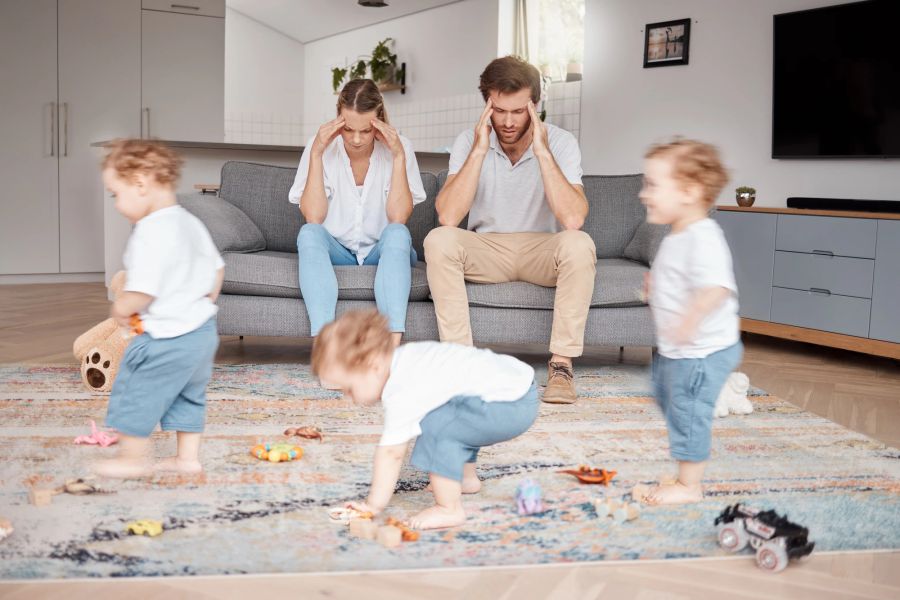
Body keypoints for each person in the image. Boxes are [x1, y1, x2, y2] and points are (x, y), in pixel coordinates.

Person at [423, 56, 596, 404]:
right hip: (487, 250)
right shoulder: (469, 142)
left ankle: (561, 367)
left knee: (579, 243)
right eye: (499, 110)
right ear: (487, 104)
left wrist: (542, 151)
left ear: (536, 105)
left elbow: (573, 219)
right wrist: (479, 149)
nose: (508, 121)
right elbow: (448, 217)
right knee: (438, 239)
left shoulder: (561, 143)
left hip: (541, 251)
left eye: (518, 111)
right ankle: (461, 365)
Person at [312, 310, 538, 530]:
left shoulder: (401, 389)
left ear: (373, 365)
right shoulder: (406, 357)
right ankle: (466, 479)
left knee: (436, 428)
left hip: (510, 406)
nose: (349, 398)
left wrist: (372, 505)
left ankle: (449, 508)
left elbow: (392, 453)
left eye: (349, 388)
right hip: (519, 390)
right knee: (453, 414)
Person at [95, 139, 224, 478]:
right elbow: (217, 270)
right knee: (189, 394)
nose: (117, 204)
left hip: (167, 337)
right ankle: (187, 459)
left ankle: (131, 459)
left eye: (116, 194)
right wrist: (201, 303)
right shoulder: (191, 222)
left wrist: (120, 306)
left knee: (137, 389)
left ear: (140, 184)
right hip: (202, 333)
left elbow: (142, 289)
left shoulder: (150, 231)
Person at [636, 138, 743, 505]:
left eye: (652, 185)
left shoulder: (704, 236)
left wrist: (690, 318)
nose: (642, 194)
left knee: (687, 411)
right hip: (678, 349)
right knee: (666, 396)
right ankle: (711, 397)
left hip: (701, 349)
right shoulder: (677, 235)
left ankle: (689, 486)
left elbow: (717, 288)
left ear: (689, 191)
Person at [289, 79, 426, 346]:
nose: (356, 139)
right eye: (348, 129)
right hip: (338, 252)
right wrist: (316, 153)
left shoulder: (401, 147)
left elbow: (399, 217)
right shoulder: (320, 147)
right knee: (309, 233)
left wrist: (398, 156)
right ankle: (326, 348)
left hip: (381, 254)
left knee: (398, 232)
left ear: (380, 120)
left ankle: (391, 350)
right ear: (338, 117)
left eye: (365, 131)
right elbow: (313, 217)